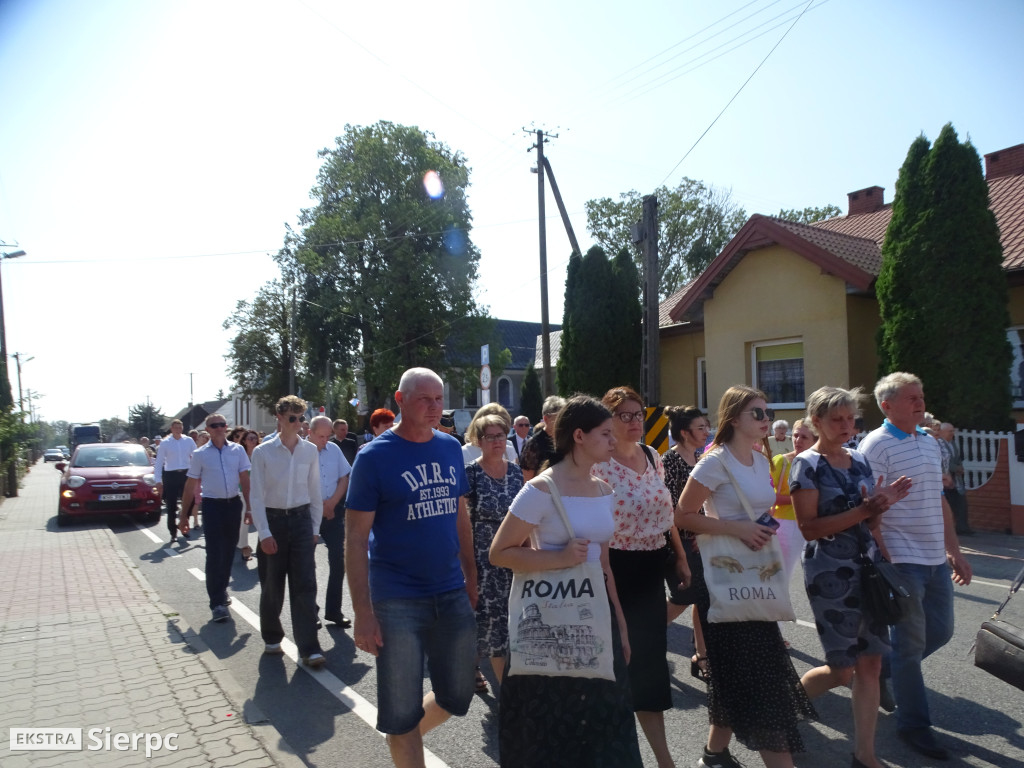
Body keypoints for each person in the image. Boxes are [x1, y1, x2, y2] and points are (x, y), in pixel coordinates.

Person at [489, 395, 643, 768]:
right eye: (605, 433)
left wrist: (619, 623)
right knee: (550, 730)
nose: (613, 439)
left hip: (595, 612)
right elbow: (499, 552)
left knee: (607, 727)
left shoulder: (604, 490)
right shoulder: (541, 489)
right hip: (551, 614)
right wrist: (558, 558)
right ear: (578, 435)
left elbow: (604, 564)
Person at [676, 385, 815, 768]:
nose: (766, 419)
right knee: (760, 679)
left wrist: (763, 528)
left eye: (767, 412)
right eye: (758, 413)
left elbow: (760, 509)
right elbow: (683, 515)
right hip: (724, 578)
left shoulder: (759, 459)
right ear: (734, 418)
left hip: (755, 575)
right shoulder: (714, 462)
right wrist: (739, 530)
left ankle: (713, 753)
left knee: (742, 672)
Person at [345, 368, 477, 768]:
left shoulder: (450, 447)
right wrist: (363, 612)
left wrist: (471, 575)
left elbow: (460, 515)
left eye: (439, 399)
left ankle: (405, 736)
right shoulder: (373, 458)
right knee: (401, 710)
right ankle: (404, 736)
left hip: (451, 589)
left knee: (457, 694)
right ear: (401, 401)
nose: (435, 407)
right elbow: (354, 540)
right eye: (425, 399)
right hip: (397, 597)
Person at [789, 387, 911, 768]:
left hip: (868, 568)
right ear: (817, 422)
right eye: (836, 419)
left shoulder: (859, 460)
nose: (846, 426)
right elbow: (809, 528)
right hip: (830, 571)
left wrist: (882, 506)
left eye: (850, 419)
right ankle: (787, 704)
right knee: (842, 670)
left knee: (871, 664)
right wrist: (865, 510)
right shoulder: (806, 464)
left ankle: (865, 754)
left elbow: (871, 518)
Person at [858, 373, 973, 761]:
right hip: (902, 560)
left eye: (921, 396)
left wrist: (954, 551)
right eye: (911, 398)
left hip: (934, 560)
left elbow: (938, 500)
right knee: (910, 645)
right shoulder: (875, 445)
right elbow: (868, 506)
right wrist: (883, 556)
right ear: (887, 406)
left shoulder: (929, 443)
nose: (920, 403)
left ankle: (878, 673)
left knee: (940, 632)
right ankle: (914, 726)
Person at [590, 386, 686, 768]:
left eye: (637, 414)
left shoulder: (652, 456)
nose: (634, 422)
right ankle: (615, 754)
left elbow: (667, 511)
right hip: (611, 567)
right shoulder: (598, 462)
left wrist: (679, 555)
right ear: (609, 420)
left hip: (649, 568)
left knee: (648, 667)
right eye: (624, 415)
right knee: (615, 664)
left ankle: (664, 760)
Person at [250, 395, 327, 668]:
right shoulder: (262, 452)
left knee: (305, 584)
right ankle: (272, 637)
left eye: (300, 418)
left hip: (301, 519)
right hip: (273, 520)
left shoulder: (308, 451)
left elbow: (315, 492)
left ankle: (309, 647)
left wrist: (315, 528)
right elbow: (256, 497)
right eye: (292, 418)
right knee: (272, 583)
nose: (297, 423)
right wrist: (264, 533)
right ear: (279, 418)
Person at [461, 410, 524, 690]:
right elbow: (462, 519)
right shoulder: (471, 473)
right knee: (489, 618)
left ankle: (477, 664)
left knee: (508, 619)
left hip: (513, 556)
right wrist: (466, 567)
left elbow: (526, 515)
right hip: (483, 558)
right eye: (490, 437)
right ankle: (505, 692)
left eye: (501, 436)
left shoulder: (515, 472)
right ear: (479, 440)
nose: (497, 442)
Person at [178, 413, 252, 623]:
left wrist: (250, 509)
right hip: (212, 506)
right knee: (214, 552)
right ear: (208, 429)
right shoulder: (200, 454)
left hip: (233, 504)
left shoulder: (237, 450)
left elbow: (245, 480)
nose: (219, 428)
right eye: (214, 425)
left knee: (229, 551)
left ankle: (221, 590)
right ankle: (216, 602)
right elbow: (190, 485)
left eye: (222, 425)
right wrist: (183, 516)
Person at [661, 405, 710, 677]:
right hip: (678, 542)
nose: (706, 432)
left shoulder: (701, 458)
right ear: (684, 432)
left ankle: (702, 656)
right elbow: (668, 511)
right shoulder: (670, 461)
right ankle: (646, 634)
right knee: (683, 596)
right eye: (700, 427)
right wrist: (680, 548)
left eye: (706, 426)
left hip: (701, 540)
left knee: (703, 598)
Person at [308, 415, 353, 628]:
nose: (325, 441)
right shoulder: (301, 453)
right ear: (310, 433)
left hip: (333, 514)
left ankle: (333, 610)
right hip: (309, 515)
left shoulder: (334, 450)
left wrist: (332, 502)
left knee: (339, 561)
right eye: (321, 436)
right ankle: (310, 611)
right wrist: (320, 506)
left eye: (328, 436)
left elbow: (344, 477)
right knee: (307, 565)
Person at [770, 419, 817, 593]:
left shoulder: (819, 463)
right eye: (795, 435)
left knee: (815, 577)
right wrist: (800, 498)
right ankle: (775, 618)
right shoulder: (781, 462)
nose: (798, 440)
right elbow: (768, 496)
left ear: (815, 440)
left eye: (804, 437)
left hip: (815, 524)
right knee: (782, 576)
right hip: (785, 524)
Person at [153, 419, 196, 542]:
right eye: (175, 427)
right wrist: (158, 480)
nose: (178, 429)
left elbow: (196, 456)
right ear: (171, 429)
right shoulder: (165, 443)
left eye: (180, 427)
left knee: (190, 501)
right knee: (171, 504)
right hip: (170, 474)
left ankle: (183, 524)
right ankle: (173, 532)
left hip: (186, 473)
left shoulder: (188, 440)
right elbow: (159, 462)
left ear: (182, 428)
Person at [518, 395, 566, 480]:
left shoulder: (565, 440)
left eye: (564, 418)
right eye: (558, 419)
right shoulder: (534, 444)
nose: (562, 422)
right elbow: (527, 479)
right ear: (546, 419)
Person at [939, 422, 973, 535]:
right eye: (950, 431)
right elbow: (942, 461)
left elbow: (957, 457)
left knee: (961, 503)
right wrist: (955, 468)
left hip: (956, 480)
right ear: (942, 432)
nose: (952, 433)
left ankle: (962, 528)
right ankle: (949, 530)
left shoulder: (952, 443)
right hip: (945, 481)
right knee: (948, 506)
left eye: (953, 431)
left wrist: (960, 467)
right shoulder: (939, 444)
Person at [238, 429, 261, 561]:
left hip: (259, 492)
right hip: (243, 492)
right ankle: (244, 547)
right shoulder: (241, 455)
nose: (253, 441)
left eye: (254, 438)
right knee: (244, 521)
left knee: (261, 521)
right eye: (250, 438)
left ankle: (262, 547)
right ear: (244, 441)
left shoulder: (261, 454)